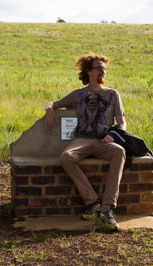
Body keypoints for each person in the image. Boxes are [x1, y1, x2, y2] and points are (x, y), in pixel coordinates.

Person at [44, 53, 126, 232]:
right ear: (89, 71)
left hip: (104, 140)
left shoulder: (113, 94)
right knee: (66, 157)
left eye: (104, 69)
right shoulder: (79, 94)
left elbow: (121, 122)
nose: (103, 71)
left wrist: (114, 134)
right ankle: (92, 202)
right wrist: (49, 109)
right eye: (99, 68)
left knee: (119, 152)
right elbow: (53, 103)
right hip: (82, 139)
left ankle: (106, 209)